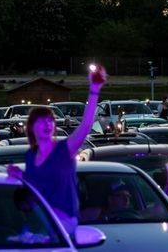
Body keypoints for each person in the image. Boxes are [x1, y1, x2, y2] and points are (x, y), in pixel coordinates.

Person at [8, 65, 107, 234]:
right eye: (42, 121)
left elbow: (85, 126)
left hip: (63, 224)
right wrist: (20, 176)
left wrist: (94, 89)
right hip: (39, 221)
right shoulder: (30, 156)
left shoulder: (64, 150)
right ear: (31, 128)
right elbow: (35, 187)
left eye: (50, 121)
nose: (47, 124)